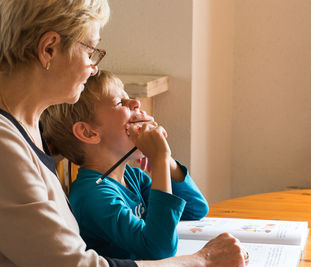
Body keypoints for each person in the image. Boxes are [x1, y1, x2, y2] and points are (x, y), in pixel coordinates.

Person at [0, 0, 248, 266]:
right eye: (90, 51)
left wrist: (163, 160)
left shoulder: (30, 127)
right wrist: (202, 261)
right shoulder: (6, 146)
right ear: (49, 49)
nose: (93, 67)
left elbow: (196, 208)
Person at [40, 70, 209, 260]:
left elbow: (195, 209)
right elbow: (158, 249)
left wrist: (167, 162)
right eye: (120, 102)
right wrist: (159, 158)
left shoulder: (132, 177)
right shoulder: (92, 196)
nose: (136, 103)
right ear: (88, 133)